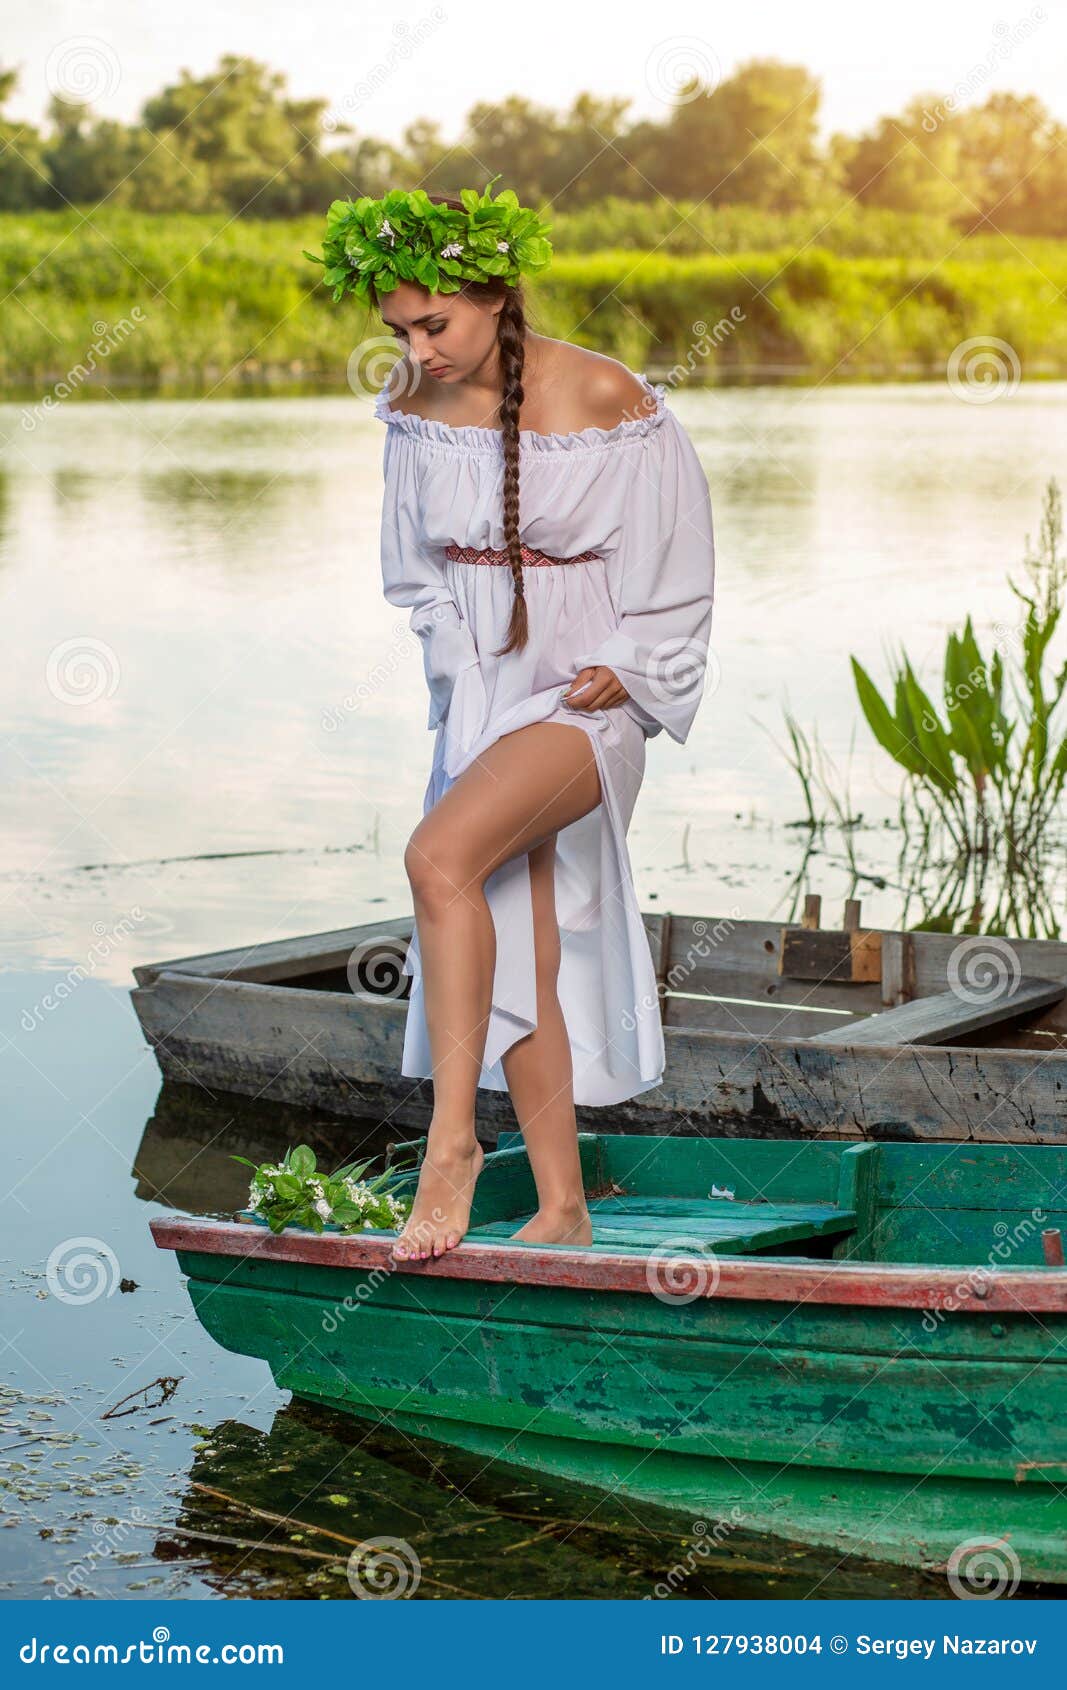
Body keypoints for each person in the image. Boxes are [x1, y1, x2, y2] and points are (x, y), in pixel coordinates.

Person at [307, 177, 715, 1262]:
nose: (418, 347)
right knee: (525, 948)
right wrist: (457, 659)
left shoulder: (604, 397)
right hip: (481, 696)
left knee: (438, 856)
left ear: (496, 297)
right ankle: (563, 1205)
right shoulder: (413, 407)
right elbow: (413, 575)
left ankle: (449, 1146)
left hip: (587, 699)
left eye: (434, 322)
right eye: (398, 327)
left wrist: (627, 667)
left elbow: (677, 567)